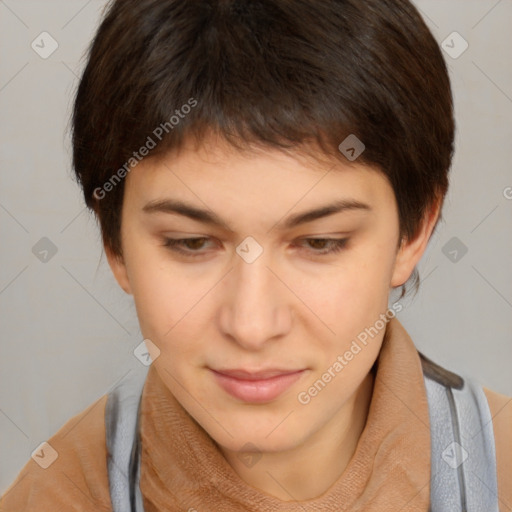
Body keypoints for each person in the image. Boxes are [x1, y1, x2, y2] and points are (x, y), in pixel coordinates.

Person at [1, 0, 510, 510]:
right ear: (115, 244)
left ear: (414, 230)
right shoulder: (54, 494)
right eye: (191, 243)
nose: (251, 325)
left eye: (319, 243)